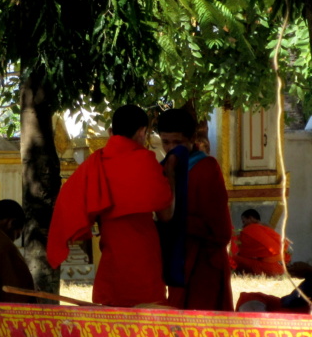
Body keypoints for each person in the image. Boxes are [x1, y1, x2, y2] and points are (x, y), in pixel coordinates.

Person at [47, 105, 173, 307]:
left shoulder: (96, 162)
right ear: (142, 132)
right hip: (143, 255)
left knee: (111, 321)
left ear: (110, 133)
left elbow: (69, 204)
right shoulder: (146, 161)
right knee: (148, 322)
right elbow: (166, 214)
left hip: (112, 256)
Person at [156, 108, 233, 311]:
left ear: (192, 139)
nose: (171, 148)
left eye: (177, 142)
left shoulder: (207, 168)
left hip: (204, 267)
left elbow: (222, 232)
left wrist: (177, 223)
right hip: (176, 265)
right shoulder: (161, 169)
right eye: (166, 142)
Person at [231, 209, 291, 276]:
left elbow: (243, 252)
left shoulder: (249, 229)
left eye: (244, 221)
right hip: (281, 267)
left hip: (268, 268)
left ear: (250, 218)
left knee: (231, 257)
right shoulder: (267, 227)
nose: (243, 225)